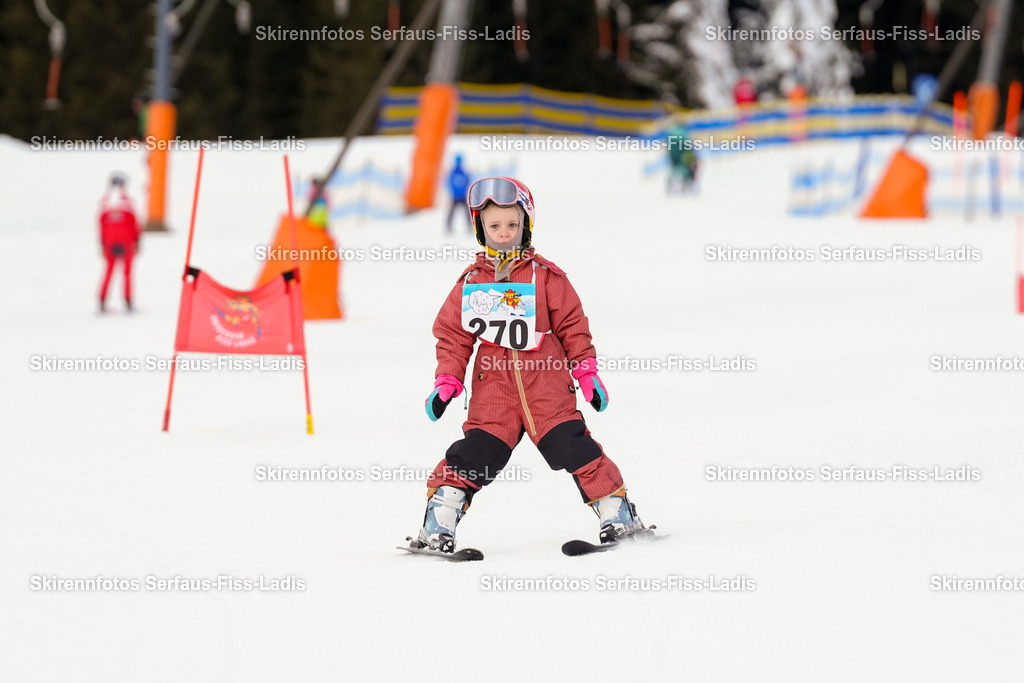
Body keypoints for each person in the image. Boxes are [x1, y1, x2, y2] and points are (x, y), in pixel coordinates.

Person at [412, 176, 648, 553]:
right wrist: (447, 380)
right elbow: (454, 335)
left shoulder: (546, 277)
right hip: (494, 395)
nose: (503, 233)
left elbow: (572, 325)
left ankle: (617, 513)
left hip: (548, 388)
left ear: (525, 226)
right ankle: (438, 523)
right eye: (494, 226)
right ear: (480, 228)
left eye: (512, 224)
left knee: (573, 448)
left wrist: (585, 371)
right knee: (475, 455)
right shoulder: (472, 283)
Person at [97, 173, 140, 312]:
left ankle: (102, 300)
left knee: (109, 271)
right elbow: (135, 224)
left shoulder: (105, 202)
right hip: (126, 242)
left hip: (109, 242)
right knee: (127, 272)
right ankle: (128, 301)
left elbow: (101, 225)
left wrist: (102, 244)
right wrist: (137, 241)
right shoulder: (127, 201)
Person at [666, 124, 699, 194]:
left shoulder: (671, 133)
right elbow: (689, 146)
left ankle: (670, 185)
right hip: (684, 156)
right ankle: (688, 184)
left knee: (674, 168)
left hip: (673, 156)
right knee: (691, 167)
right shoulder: (685, 134)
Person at [444, 154, 471, 233]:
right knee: (463, 212)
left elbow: (449, 183)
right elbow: (467, 181)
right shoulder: (463, 171)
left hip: (457, 196)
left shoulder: (454, 172)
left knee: (454, 213)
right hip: (460, 195)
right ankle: (469, 226)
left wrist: (452, 192)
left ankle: (449, 227)